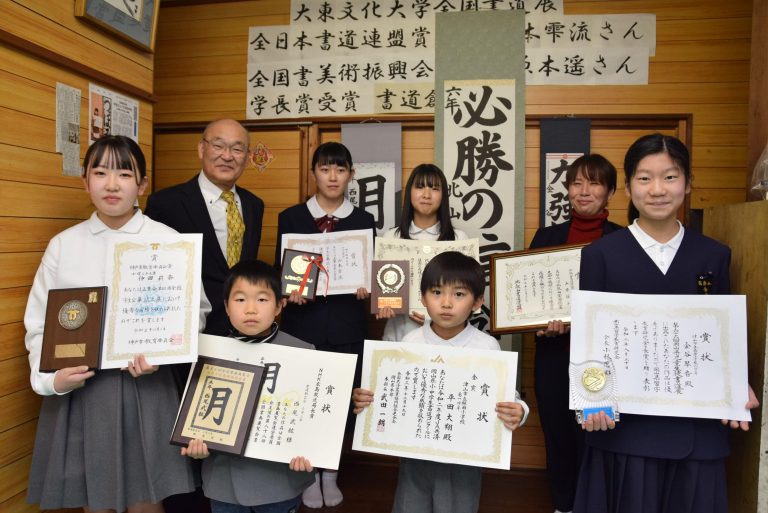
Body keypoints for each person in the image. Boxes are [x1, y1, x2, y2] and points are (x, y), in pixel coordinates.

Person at [23, 135, 211, 512]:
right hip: (82, 390)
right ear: (85, 181)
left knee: (147, 499)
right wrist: (51, 381)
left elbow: (197, 313)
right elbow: (40, 322)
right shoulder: (64, 244)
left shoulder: (167, 240)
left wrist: (164, 354)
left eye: (124, 173)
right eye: (100, 172)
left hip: (147, 385)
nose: (111, 184)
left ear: (142, 185)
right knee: (97, 500)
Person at [574, 134, 759, 513]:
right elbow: (589, 339)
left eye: (670, 177)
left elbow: (722, 336)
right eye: (644, 178)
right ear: (627, 187)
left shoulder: (714, 255)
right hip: (623, 431)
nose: (657, 190)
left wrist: (735, 384)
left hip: (696, 430)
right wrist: (591, 400)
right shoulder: (600, 256)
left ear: (688, 183)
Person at [353, 251, 529, 513]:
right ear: (423, 298)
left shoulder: (487, 346)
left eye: (459, 294)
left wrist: (520, 411)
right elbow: (392, 393)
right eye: (437, 292)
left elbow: (509, 397)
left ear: (478, 301)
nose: (446, 303)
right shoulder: (410, 342)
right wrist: (367, 400)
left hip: (465, 459)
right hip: (415, 455)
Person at [274, 141, 376, 508]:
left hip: (348, 324)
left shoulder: (364, 221)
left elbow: (371, 272)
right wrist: (289, 293)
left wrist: (367, 287)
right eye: (325, 168)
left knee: (340, 399)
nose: (333, 177)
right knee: (302, 399)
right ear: (313, 172)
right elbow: (280, 273)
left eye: (340, 169)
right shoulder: (291, 217)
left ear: (350, 174)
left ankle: (330, 471)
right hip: (303, 324)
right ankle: (305, 472)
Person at [182, 260, 316, 513]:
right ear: (226, 306)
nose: (251, 309)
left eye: (263, 300)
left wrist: (310, 452)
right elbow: (194, 419)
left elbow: (313, 424)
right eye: (240, 300)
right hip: (224, 482)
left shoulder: (304, 353)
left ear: (279, 305)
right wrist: (195, 446)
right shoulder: (206, 352)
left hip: (281, 480)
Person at [529, 154, 621, 513]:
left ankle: (594, 504)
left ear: (610, 191)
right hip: (554, 353)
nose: (584, 191)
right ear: (567, 189)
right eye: (577, 183)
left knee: (599, 435)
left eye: (594, 183)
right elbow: (530, 297)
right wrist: (537, 322)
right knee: (558, 434)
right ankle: (564, 505)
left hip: (603, 358)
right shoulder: (547, 236)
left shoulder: (623, 241)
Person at [145, 118, 265, 337]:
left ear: (247, 158)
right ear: (202, 148)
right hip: (186, 330)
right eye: (218, 146)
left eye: (237, 149)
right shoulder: (166, 204)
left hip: (241, 330)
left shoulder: (254, 205)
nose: (227, 156)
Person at [377, 163, 468, 341]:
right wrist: (385, 305)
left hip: (449, 336)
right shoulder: (392, 238)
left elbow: (468, 291)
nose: (426, 195)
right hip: (401, 331)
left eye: (434, 188)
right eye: (419, 187)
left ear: (443, 195)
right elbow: (385, 293)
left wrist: (433, 317)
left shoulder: (459, 239)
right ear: (409, 192)